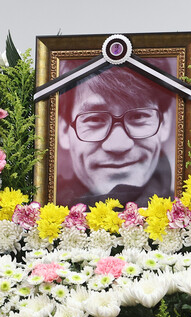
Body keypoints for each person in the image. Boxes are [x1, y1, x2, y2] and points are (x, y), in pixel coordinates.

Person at [55, 62, 177, 208]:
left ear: (165, 122)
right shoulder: (38, 217)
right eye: (95, 119)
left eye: (138, 116)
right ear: (63, 129)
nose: (119, 145)